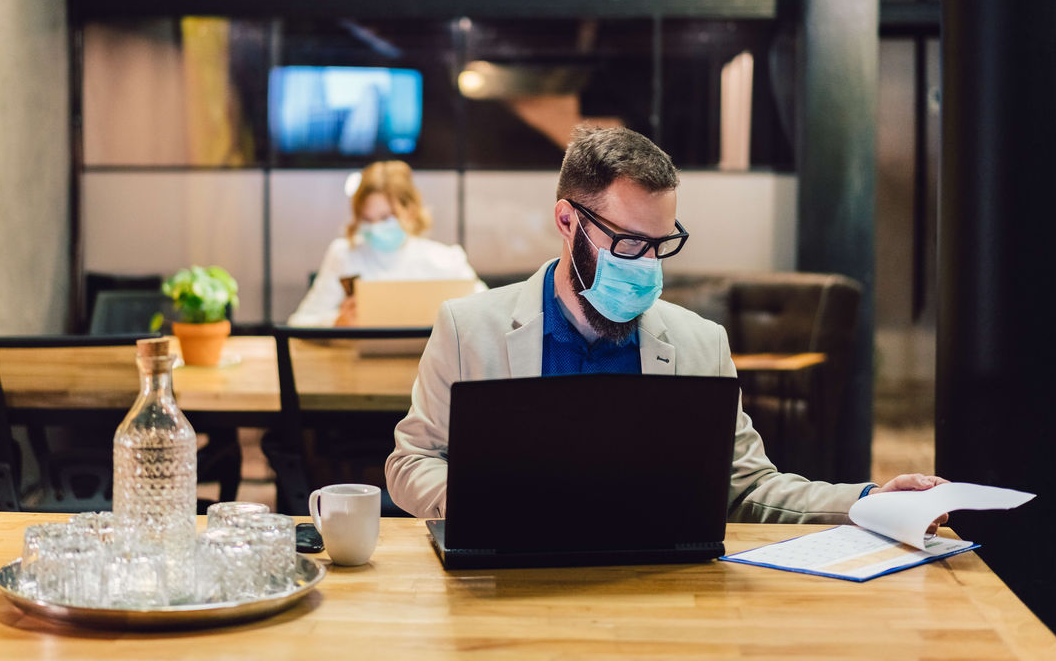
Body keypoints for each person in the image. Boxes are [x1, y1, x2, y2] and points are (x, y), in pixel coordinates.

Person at [385, 126, 948, 524]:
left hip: (662, 588)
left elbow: (748, 486)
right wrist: (489, 502)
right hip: (505, 578)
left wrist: (873, 500)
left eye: (662, 245)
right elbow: (411, 461)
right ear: (566, 220)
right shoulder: (468, 327)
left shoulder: (700, 344)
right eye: (630, 243)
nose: (647, 266)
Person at [288, 160, 483, 327]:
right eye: (367, 219)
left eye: (385, 217)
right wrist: (337, 322)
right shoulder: (345, 255)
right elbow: (300, 322)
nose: (375, 228)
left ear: (411, 211)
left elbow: (487, 312)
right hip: (357, 368)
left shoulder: (445, 260)